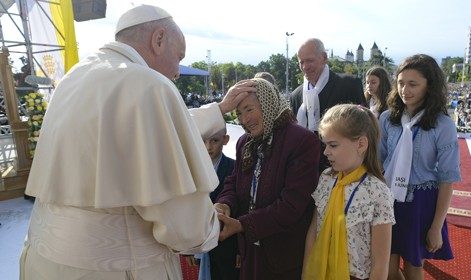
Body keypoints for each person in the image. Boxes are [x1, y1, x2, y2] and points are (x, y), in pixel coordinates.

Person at [20, 5, 254, 279]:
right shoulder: (149, 84)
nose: (177, 71)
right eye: (178, 57)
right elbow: (185, 228)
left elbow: (141, 130)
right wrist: (212, 229)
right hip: (113, 268)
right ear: (158, 39)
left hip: (43, 258)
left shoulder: (75, 76)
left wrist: (219, 109)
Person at [214, 78, 321, 279]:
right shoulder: (245, 142)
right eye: (239, 114)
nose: (244, 120)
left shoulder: (301, 141)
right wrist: (224, 204)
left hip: (284, 256)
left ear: (266, 102)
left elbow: (292, 205)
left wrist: (242, 225)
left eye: (249, 109)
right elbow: (234, 182)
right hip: (251, 253)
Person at [379, 54, 461, 280]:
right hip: (389, 200)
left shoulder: (442, 125)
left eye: (413, 84)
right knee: (386, 268)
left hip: (421, 203)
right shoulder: (387, 119)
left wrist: (436, 227)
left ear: (430, 86)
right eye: (401, 83)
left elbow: (447, 179)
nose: (405, 90)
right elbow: (378, 162)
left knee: (414, 267)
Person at [302, 104, 395, 280]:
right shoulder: (326, 179)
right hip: (320, 272)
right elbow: (313, 231)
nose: (326, 152)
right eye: (325, 145)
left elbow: (380, 263)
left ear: (361, 144)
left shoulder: (378, 192)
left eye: (333, 145)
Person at [289, 38, 366, 170]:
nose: (305, 67)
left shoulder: (349, 85)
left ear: (324, 58)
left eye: (310, 60)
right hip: (307, 171)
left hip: (346, 170)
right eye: (301, 62)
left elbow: (364, 129)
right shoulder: (296, 95)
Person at [193, 127, 240, 280]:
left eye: (214, 140)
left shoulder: (235, 167)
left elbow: (241, 207)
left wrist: (240, 249)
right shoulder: (191, 170)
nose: (208, 147)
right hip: (199, 242)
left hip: (226, 245)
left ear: (225, 140)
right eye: (203, 141)